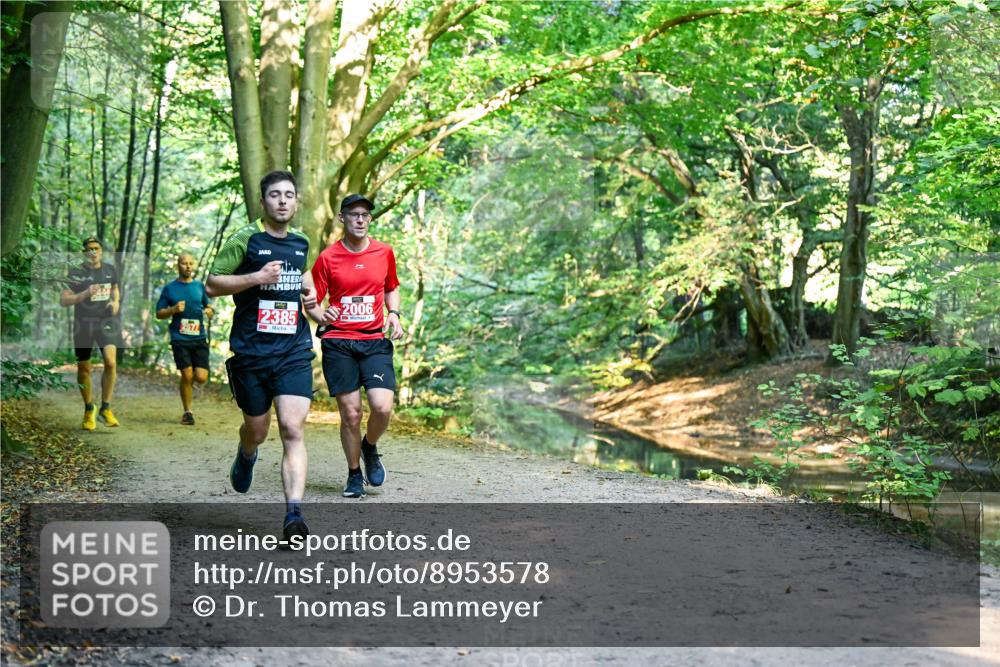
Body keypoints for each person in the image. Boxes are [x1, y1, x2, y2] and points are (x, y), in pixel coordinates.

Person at [206, 170, 318, 539]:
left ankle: (294, 515)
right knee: (258, 429)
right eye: (275, 195)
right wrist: (255, 278)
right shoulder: (246, 239)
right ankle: (247, 452)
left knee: (291, 427)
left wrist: (314, 301)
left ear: (296, 201)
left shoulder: (302, 242)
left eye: (289, 194)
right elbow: (213, 283)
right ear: (263, 201)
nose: (283, 201)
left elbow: (304, 288)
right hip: (252, 353)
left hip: (294, 351)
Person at [307, 193, 404, 499]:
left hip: (374, 341)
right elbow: (311, 302)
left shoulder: (384, 253)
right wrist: (322, 314)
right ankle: (353, 474)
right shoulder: (327, 258)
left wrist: (395, 315)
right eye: (354, 214)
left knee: (382, 407)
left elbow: (391, 288)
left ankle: (370, 446)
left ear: (369, 220)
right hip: (339, 343)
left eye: (365, 215)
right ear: (342, 219)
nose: (360, 219)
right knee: (350, 414)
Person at [59, 237, 122, 430]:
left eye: (96, 248)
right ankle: (89, 409)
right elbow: (64, 301)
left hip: (106, 322)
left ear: (101, 251)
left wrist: (116, 302)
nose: (93, 252)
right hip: (83, 324)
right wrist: (85, 294)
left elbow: (115, 290)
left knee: (111, 363)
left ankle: (106, 408)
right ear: (84, 253)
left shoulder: (110, 270)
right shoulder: (76, 272)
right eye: (89, 249)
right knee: (84, 368)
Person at [155, 253, 215, 425]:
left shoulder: (199, 287)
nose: (188, 266)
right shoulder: (170, 288)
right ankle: (187, 412)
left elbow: (208, 305)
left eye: (190, 263)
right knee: (187, 375)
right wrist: (173, 309)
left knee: (201, 377)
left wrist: (210, 311)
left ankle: (188, 387)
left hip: (199, 337)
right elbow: (159, 313)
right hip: (179, 337)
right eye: (184, 263)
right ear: (178, 266)